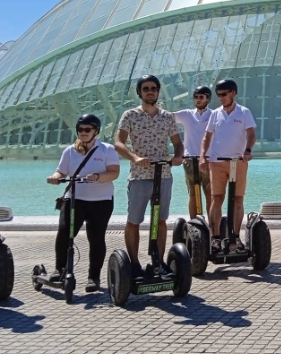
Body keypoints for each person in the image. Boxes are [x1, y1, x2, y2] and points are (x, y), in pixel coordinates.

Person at [114, 74, 183, 274]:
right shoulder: (130, 115)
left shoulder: (167, 117)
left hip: (163, 174)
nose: (150, 91)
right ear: (139, 92)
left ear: (158, 91)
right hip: (139, 176)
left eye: (153, 88)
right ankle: (134, 264)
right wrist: (134, 157)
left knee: (160, 220)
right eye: (145, 89)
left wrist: (178, 157)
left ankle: (158, 261)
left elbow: (178, 144)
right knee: (134, 220)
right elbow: (119, 143)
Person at [46, 114, 120, 292]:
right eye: (80, 130)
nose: (83, 133)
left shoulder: (107, 150)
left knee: (96, 238)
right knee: (64, 233)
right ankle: (60, 269)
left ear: (96, 131)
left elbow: (114, 173)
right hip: (75, 200)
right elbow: (61, 171)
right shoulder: (70, 151)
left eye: (87, 129)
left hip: (101, 201)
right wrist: (55, 178)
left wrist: (98, 177)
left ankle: (94, 277)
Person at [200, 78, 255, 252]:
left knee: (238, 199)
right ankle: (215, 238)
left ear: (233, 93)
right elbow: (207, 137)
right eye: (218, 95)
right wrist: (203, 156)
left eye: (224, 94)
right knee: (217, 199)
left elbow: (252, 134)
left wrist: (248, 150)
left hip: (238, 162)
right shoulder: (215, 114)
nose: (221, 98)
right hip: (217, 162)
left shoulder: (244, 112)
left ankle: (236, 238)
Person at [173, 85, 213, 220]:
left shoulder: (214, 115)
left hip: (208, 159)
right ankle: (194, 224)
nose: (198, 100)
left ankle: (212, 226)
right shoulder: (187, 114)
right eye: (196, 97)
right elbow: (168, 118)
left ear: (208, 99)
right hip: (190, 159)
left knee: (210, 193)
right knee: (193, 193)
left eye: (201, 97)